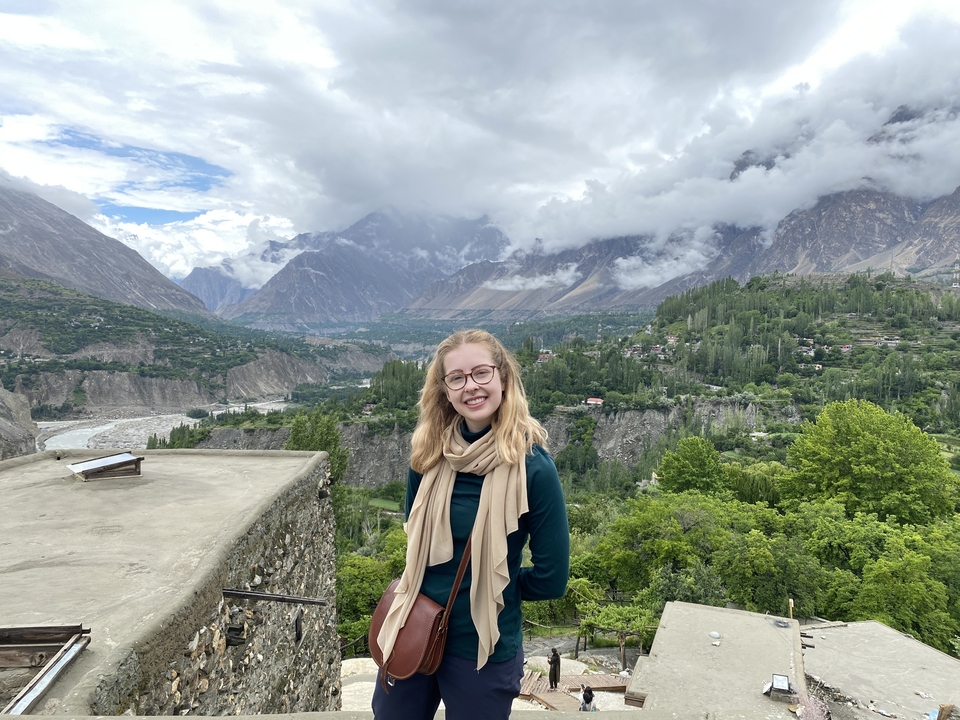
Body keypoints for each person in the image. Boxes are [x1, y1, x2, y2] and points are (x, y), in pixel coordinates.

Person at [372, 329, 570, 720]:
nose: (471, 386)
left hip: (483, 647)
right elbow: (417, 543)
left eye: (481, 373)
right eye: (457, 378)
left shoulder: (532, 468)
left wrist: (495, 589)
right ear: (444, 389)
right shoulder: (429, 454)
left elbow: (552, 578)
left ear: (503, 377)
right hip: (413, 627)